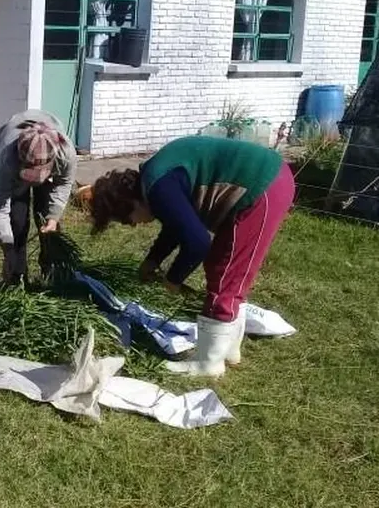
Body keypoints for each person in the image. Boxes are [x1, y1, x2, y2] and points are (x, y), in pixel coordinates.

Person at [86, 135, 295, 377]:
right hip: (269, 179)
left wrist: (173, 279)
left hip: (262, 187)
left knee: (226, 272)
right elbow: (177, 224)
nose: (131, 225)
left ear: (129, 202)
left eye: (125, 220)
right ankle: (228, 350)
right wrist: (153, 260)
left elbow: (197, 242)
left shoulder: (158, 187)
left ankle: (208, 364)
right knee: (225, 269)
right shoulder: (154, 180)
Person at [0, 109, 77, 285]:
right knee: (17, 221)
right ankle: (17, 275)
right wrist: (7, 247)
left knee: (44, 217)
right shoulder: (6, 158)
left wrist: (53, 217)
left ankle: (51, 270)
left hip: (50, 161)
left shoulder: (65, 153)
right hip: (13, 169)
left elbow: (63, 184)